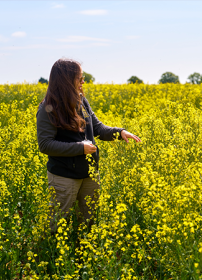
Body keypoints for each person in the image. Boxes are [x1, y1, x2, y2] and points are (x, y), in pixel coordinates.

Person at [37, 58, 141, 232]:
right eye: (79, 77)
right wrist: (80, 148)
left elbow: (98, 127)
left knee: (88, 223)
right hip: (64, 176)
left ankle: (82, 255)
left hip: (89, 174)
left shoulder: (81, 101)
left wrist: (119, 132)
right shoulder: (48, 108)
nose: (83, 81)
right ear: (66, 80)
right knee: (57, 225)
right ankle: (54, 255)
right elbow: (46, 145)